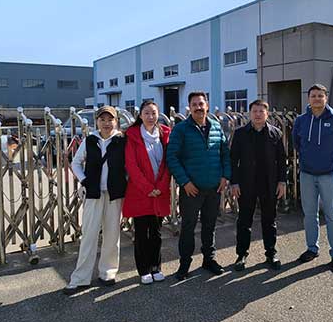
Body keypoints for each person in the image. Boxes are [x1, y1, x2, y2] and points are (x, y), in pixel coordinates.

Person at [166, 91, 231, 280]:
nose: (198, 107)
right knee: (188, 227)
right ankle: (184, 264)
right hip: (191, 190)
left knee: (210, 226)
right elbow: (172, 157)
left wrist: (225, 176)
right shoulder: (181, 129)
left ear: (207, 106)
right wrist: (185, 182)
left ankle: (209, 259)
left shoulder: (216, 127)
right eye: (194, 104)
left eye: (201, 104)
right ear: (189, 108)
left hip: (213, 188)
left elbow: (225, 154)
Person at [63, 105, 127, 295]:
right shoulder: (90, 140)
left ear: (116, 121)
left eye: (110, 119)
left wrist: (124, 183)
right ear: (97, 121)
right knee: (89, 236)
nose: (106, 123)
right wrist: (85, 181)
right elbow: (75, 163)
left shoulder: (122, 141)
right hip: (93, 194)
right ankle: (80, 278)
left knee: (112, 235)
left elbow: (129, 165)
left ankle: (108, 273)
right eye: (102, 119)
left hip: (114, 195)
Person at [292, 84, 333, 273]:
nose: (317, 99)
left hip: (329, 174)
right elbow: (296, 143)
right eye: (313, 96)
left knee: (332, 215)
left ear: (326, 98)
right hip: (307, 174)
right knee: (310, 214)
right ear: (308, 98)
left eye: (320, 96)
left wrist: (330, 160)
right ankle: (312, 249)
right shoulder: (301, 121)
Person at [230, 99, 287, 271]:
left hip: (269, 184)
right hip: (246, 184)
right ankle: (241, 254)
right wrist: (234, 182)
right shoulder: (240, 133)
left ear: (267, 114)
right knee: (244, 221)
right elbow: (233, 160)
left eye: (261, 111)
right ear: (250, 113)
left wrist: (282, 181)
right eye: (254, 111)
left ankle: (271, 253)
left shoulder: (275, 133)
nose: (257, 114)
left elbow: (282, 160)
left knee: (269, 220)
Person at [123, 100, 171, 285]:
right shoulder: (133, 135)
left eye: (153, 113)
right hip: (140, 193)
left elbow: (168, 163)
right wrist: (148, 188)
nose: (150, 117)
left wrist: (161, 186)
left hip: (160, 192)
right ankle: (143, 269)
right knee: (142, 234)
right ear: (140, 115)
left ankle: (156, 267)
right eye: (146, 113)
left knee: (156, 233)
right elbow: (131, 165)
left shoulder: (165, 134)